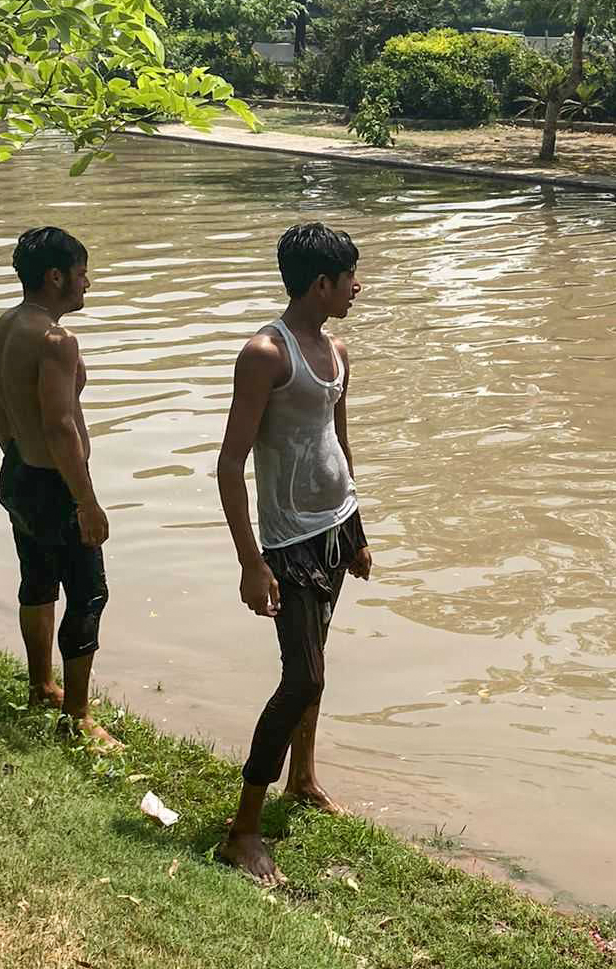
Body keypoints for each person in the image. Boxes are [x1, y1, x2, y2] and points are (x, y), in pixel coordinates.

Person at [215, 222, 373, 883]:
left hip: (333, 527)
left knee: (317, 661)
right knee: (302, 675)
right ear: (321, 284)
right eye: (350, 279)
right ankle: (241, 831)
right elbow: (229, 466)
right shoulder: (265, 355)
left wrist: (358, 531)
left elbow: (338, 443)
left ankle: (301, 779)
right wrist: (252, 563)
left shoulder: (335, 350)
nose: (358, 288)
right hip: (285, 538)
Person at [0, 226, 121, 752]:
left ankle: (41, 685)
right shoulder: (56, 340)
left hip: (19, 474)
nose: (88, 284)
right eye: (83, 273)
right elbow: (62, 424)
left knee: (37, 580)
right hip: (57, 485)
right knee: (89, 593)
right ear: (57, 276)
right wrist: (86, 500)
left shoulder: (4, 327)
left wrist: (18, 457)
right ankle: (77, 716)